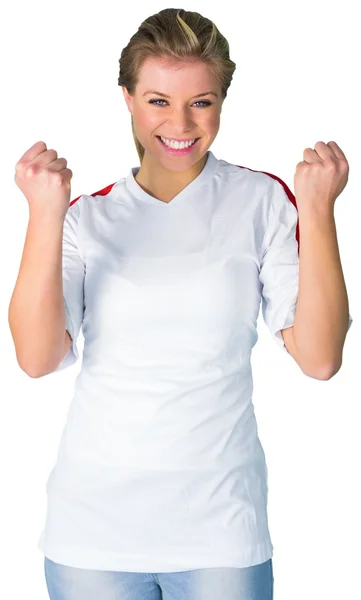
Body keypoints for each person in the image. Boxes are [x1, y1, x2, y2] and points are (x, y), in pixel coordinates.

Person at [9, 8, 352, 600]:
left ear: (223, 100)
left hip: (221, 534)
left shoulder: (263, 202)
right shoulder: (86, 217)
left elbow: (320, 358)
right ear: (128, 100)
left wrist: (320, 213)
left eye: (202, 101)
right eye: (158, 101)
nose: (181, 123)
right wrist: (44, 215)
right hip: (93, 535)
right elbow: (37, 358)